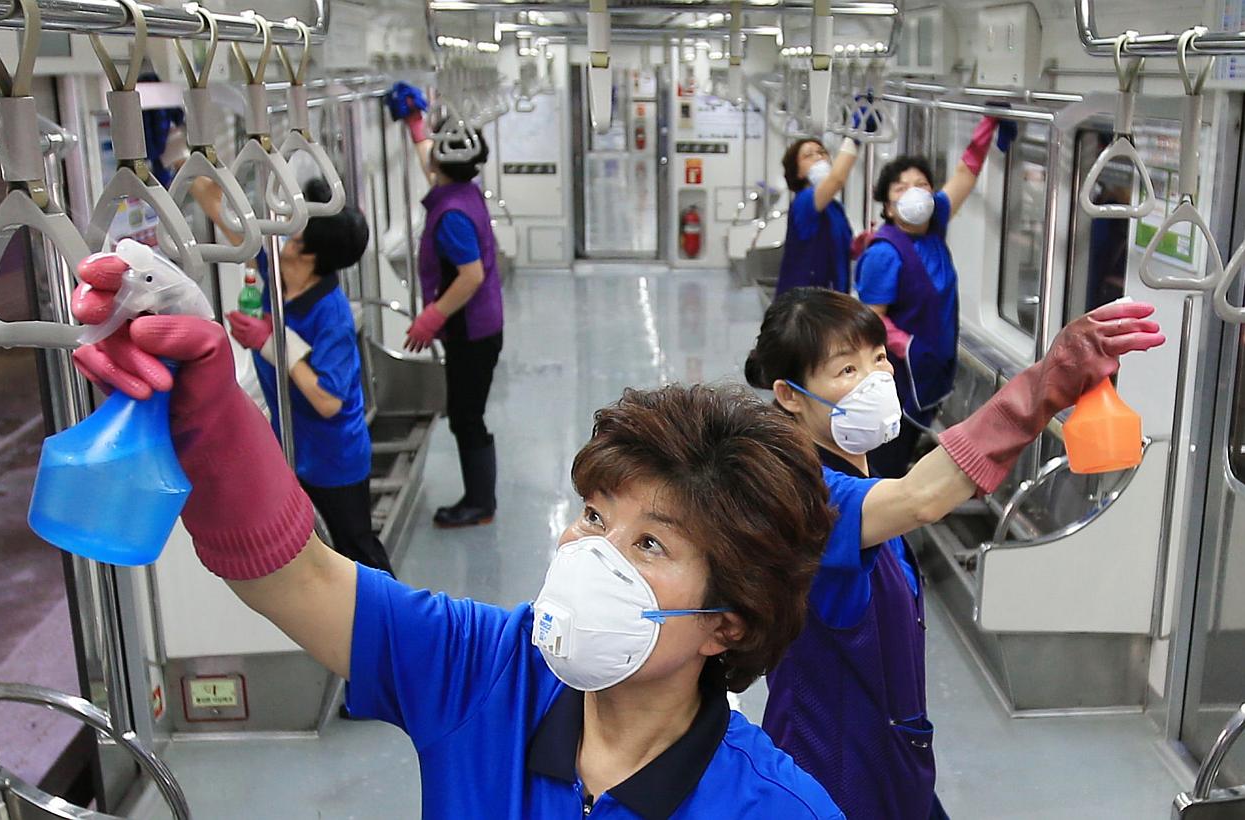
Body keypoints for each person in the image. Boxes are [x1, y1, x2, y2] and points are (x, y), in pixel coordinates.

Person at [70, 255, 845, 815]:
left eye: (650, 546)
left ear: (727, 623)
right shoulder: (482, 672)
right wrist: (207, 404)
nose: (590, 555)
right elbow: (294, 577)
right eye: (597, 518)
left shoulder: (775, 809)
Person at [743, 287, 1164, 819]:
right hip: (836, 767)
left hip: (889, 753)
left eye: (878, 360)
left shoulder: (858, 480)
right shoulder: (805, 498)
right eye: (845, 372)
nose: (875, 380)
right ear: (790, 395)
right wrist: (1045, 385)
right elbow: (921, 498)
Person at [221, 180, 394, 577]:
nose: (288, 234)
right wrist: (189, 163)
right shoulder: (282, 275)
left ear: (308, 252)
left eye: (297, 231)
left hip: (335, 456)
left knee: (357, 549)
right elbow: (228, 222)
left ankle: (397, 628)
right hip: (292, 448)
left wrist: (273, 343)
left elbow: (328, 401)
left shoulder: (330, 314)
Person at [855, 114, 1017, 477]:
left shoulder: (935, 225)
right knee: (887, 462)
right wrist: (909, 345)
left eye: (922, 184)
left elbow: (965, 174)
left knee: (905, 450)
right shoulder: (884, 253)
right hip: (898, 374)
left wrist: (988, 124)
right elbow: (869, 319)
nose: (913, 192)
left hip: (930, 368)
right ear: (887, 206)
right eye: (900, 187)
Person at [388, 81, 505, 529]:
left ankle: (480, 503)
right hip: (480, 326)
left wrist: (431, 317)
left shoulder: (452, 214)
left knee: (466, 415)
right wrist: (416, 126)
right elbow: (431, 165)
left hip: (470, 331)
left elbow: (470, 275)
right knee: (465, 411)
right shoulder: (462, 191)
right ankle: (481, 497)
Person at [775, 104, 874, 295]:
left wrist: (858, 246)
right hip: (805, 302)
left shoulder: (834, 208)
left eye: (821, 152)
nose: (818, 158)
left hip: (832, 296)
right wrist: (854, 137)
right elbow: (837, 179)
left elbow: (840, 251)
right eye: (808, 156)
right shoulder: (804, 202)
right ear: (798, 172)